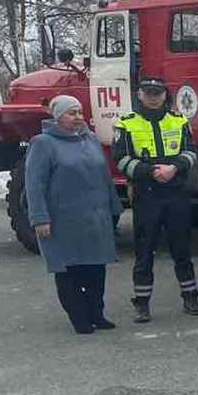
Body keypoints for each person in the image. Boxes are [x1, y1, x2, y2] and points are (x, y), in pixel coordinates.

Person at [26, 95, 122, 334]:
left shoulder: (90, 139)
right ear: (57, 116)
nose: (78, 117)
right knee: (70, 271)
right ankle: (79, 317)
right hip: (63, 220)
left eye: (79, 112)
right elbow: (34, 184)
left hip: (95, 218)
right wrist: (40, 218)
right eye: (71, 113)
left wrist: (113, 208)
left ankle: (96, 314)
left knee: (96, 269)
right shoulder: (43, 143)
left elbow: (105, 177)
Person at [112, 75, 198, 323]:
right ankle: (142, 303)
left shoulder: (179, 120)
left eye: (158, 93)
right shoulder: (126, 124)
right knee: (144, 250)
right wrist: (150, 172)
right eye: (148, 93)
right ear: (140, 95)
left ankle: (190, 296)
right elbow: (120, 158)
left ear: (165, 95)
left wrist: (174, 169)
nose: (153, 97)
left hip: (176, 193)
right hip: (147, 195)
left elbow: (192, 152)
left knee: (182, 248)